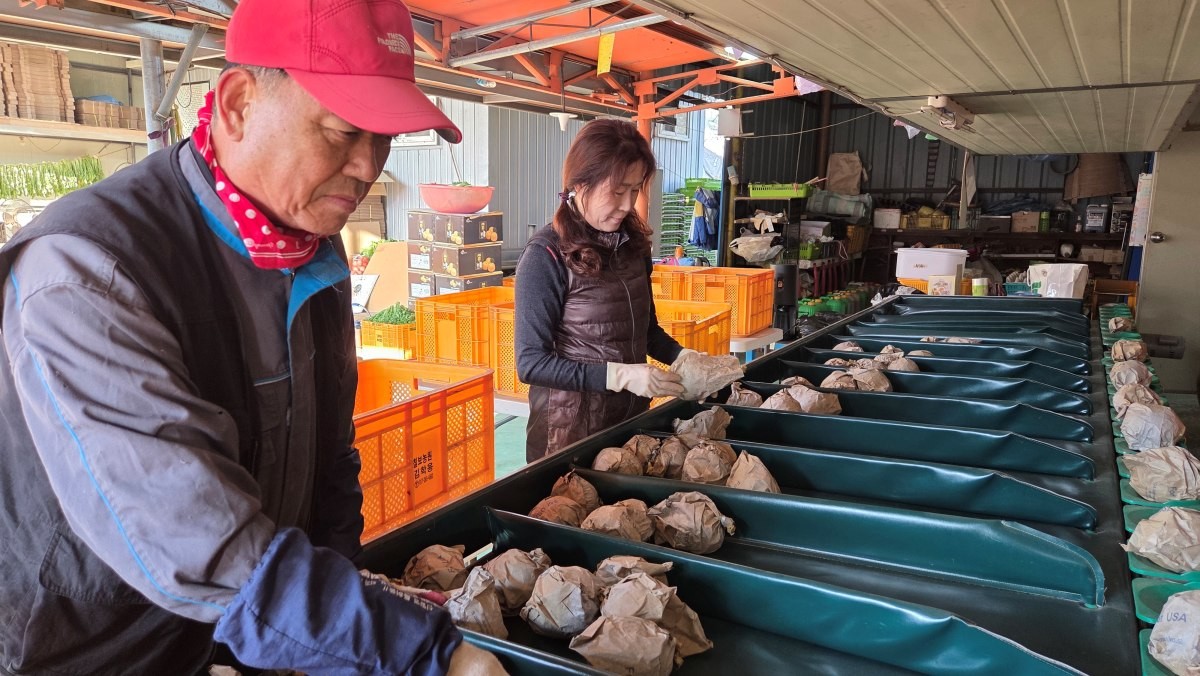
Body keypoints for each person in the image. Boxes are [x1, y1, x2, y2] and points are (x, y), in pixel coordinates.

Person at [0, 0, 505, 674]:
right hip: (93, 651)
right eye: (341, 130)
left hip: (229, 640)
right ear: (238, 103)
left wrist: (324, 624)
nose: (367, 166)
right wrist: (418, 651)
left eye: (382, 139)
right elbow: (195, 540)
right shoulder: (90, 271)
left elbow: (331, 463)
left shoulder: (308, 256)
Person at [516, 120, 700, 462]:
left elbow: (646, 331)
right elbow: (530, 364)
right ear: (580, 183)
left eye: (635, 189)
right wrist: (619, 375)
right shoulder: (547, 254)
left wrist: (681, 356)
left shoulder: (633, 247)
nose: (628, 204)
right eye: (617, 191)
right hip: (568, 433)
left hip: (629, 423)